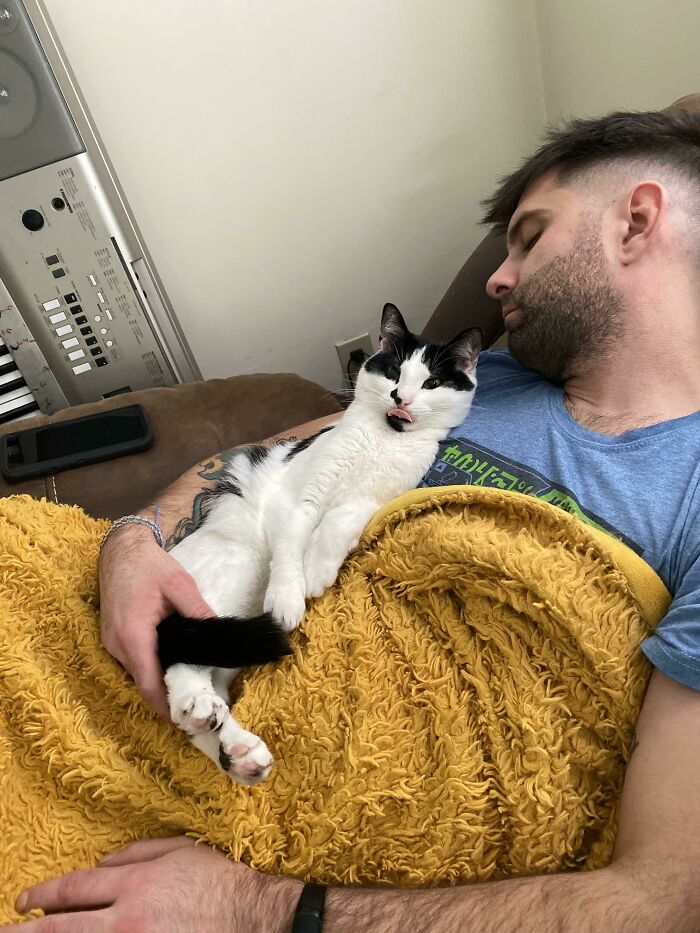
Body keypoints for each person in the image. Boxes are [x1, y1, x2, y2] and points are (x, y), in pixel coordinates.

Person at [13, 109, 700, 932]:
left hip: (323, 783)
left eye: (529, 236)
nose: (496, 276)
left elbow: (656, 899)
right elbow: (260, 459)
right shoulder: (487, 380)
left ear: (638, 219)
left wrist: (249, 907)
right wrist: (133, 542)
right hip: (201, 628)